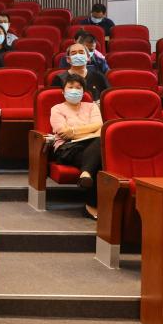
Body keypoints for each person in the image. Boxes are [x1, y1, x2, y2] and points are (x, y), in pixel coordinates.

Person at [49, 74, 104, 218]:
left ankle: (86, 175)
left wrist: (73, 131)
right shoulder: (57, 109)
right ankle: (92, 204)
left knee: (100, 145)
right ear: (63, 91)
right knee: (99, 157)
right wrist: (89, 131)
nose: (74, 90)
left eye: (78, 87)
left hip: (91, 146)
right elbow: (63, 132)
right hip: (68, 148)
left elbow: (99, 125)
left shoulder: (92, 106)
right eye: (71, 87)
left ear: (83, 91)